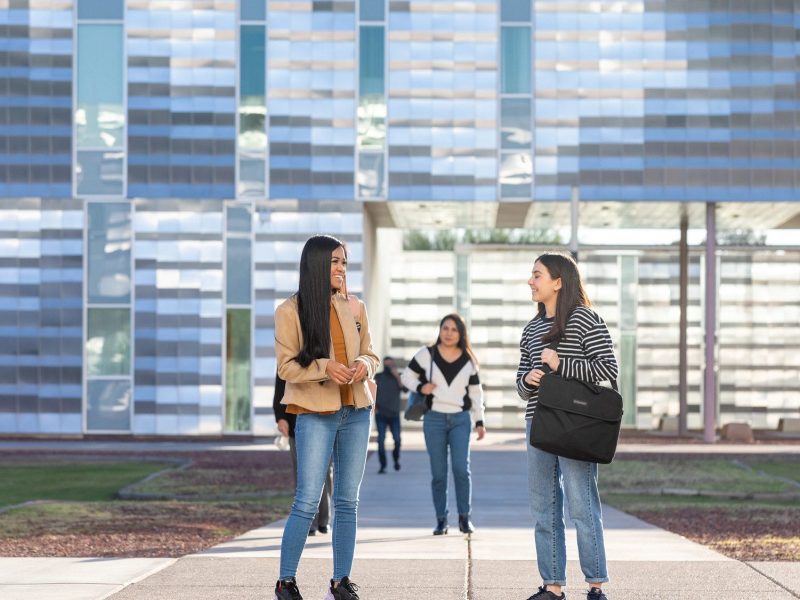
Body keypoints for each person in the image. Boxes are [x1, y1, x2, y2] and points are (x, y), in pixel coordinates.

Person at [273, 235, 379, 600]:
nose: (341, 268)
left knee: (348, 501)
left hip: (357, 412)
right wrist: (324, 367)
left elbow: (371, 355)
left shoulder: (355, 307)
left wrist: (364, 365)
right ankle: (286, 581)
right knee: (306, 499)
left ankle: (341, 580)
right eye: (335, 261)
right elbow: (286, 367)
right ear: (316, 264)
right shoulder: (289, 311)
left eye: (344, 262)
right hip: (315, 414)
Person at [516, 252, 618, 600]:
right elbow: (519, 382)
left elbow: (608, 369)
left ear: (558, 281)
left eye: (537, 275)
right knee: (544, 509)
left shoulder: (586, 320)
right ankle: (553, 587)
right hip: (538, 424)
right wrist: (527, 380)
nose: (531, 281)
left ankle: (595, 586)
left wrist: (562, 363)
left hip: (577, 425)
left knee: (582, 506)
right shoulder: (530, 329)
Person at [401, 313, 486, 536]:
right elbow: (406, 377)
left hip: (460, 419)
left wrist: (479, 421)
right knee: (438, 473)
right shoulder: (426, 355)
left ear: (461, 334)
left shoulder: (469, 361)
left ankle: (464, 519)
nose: (448, 333)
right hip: (434, 420)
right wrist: (421, 388)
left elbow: (476, 394)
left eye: (454, 329)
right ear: (440, 330)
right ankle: (441, 520)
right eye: (445, 328)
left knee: (461, 469)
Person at [273, 374, 333, 536]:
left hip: (327, 421)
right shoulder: (291, 351)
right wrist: (280, 417)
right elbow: (281, 385)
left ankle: (323, 521)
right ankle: (308, 522)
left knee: (326, 473)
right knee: (302, 475)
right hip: (296, 423)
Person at [373, 356, 405, 474]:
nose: (388, 367)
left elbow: (405, 389)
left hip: (394, 414)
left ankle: (396, 460)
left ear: (394, 365)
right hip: (381, 414)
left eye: (390, 364)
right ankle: (383, 466)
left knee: (397, 439)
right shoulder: (379, 377)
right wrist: (374, 407)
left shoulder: (399, 377)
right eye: (386, 365)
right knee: (381, 441)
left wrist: (397, 376)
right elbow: (372, 392)